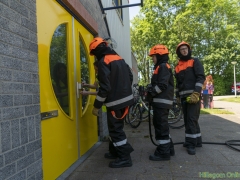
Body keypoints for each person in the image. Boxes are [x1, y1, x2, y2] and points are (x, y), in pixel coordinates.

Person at [89, 37, 134, 168]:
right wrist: (123, 90)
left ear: (97, 50)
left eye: (94, 54)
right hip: (125, 100)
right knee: (117, 128)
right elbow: (130, 76)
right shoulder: (119, 58)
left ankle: (125, 157)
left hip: (115, 102)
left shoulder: (103, 62)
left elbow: (105, 88)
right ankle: (115, 151)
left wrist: (96, 106)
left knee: (115, 130)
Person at [174, 41, 205, 155]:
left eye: (185, 48)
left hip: (193, 96)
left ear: (189, 50)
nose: (184, 50)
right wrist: (177, 96)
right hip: (183, 97)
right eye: (182, 49)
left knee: (191, 119)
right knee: (188, 120)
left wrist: (196, 93)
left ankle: (191, 144)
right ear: (179, 52)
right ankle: (197, 141)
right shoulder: (177, 66)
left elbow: (201, 77)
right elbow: (178, 83)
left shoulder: (194, 61)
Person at [147, 44, 175, 161]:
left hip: (161, 102)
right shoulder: (162, 66)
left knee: (161, 126)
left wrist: (151, 93)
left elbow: (162, 85)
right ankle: (169, 148)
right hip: (162, 102)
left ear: (159, 55)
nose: (152, 59)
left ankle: (163, 152)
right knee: (162, 125)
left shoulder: (163, 66)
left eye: (153, 56)